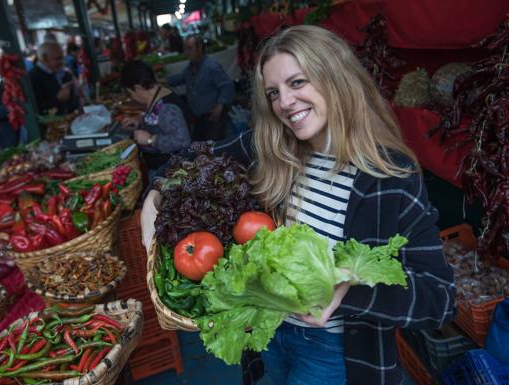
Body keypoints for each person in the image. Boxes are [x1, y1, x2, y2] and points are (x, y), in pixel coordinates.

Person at [141, 25, 455, 385]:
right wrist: (154, 196)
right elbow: (186, 163)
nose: (284, 103)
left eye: (297, 83)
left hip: (335, 352)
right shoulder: (271, 149)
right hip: (266, 335)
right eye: (273, 92)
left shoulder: (390, 177)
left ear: (335, 78)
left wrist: (348, 290)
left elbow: (439, 297)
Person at [120, 60, 191, 179]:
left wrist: (150, 139)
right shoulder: (157, 95)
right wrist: (141, 119)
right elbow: (159, 121)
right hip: (161, 168)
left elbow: (183, 141)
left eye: (130, 93)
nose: (131, 97)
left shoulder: (167, 108)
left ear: (138, 88)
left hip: (170, 172)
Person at [167, 35, 235, 141]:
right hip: (199, 118)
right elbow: (181, 78)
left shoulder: (211, 66)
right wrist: (162, 82)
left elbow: (227, 85)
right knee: (201, 149)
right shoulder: (191, 67)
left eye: (190, 48)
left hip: (213, 118)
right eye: (185, 48)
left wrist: (220, 105)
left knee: (214, 150)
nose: (186, 52)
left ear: (200, 48)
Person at [28, 41, 80, 115]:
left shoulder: (61, 72)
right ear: (44, 58)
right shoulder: (33, 77)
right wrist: (58, 99)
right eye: (58, 59)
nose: (62, 62)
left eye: (62, 58)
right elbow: (35, 108)